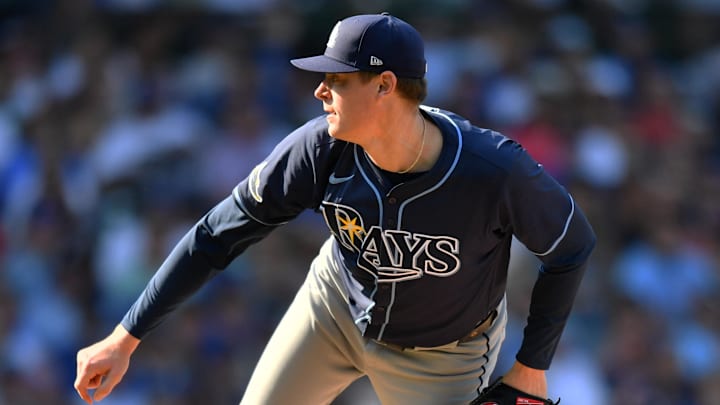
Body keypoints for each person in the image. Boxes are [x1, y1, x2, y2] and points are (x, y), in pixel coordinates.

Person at [74, 12, 596, 404]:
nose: (321, 90)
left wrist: (531, 366)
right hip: (333, 312)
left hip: (446, 356)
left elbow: (573, 246)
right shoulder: (318, 149)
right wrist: (126, 337)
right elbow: (217, 235)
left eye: (338, 80)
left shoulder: (490, 170)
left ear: (385, 86)